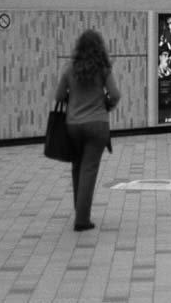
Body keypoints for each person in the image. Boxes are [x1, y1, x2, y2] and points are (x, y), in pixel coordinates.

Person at [54, 29, 121, 232]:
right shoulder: (103, 69)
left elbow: (58, 96)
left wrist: (72, 100)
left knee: (77, 168)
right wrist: (105, 104)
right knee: (89, 170)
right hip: (97, 124)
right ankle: (82, 219)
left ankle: (79, 211)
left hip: (73, 125)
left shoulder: (69, 68)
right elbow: (116, 95)